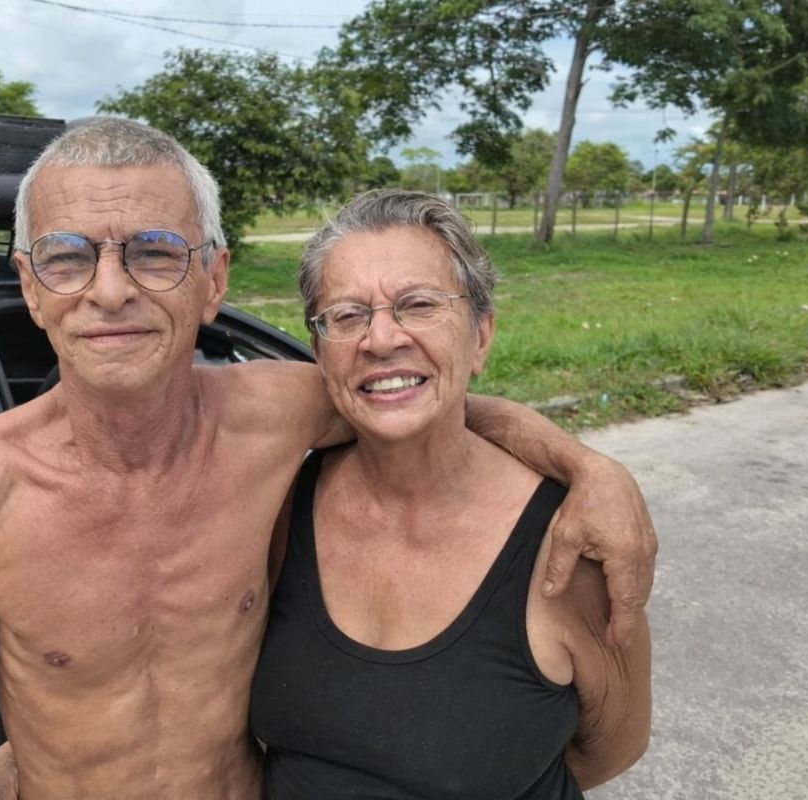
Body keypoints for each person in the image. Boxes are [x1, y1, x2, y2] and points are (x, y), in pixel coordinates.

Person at [0, 118, 656, 800]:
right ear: (32, 287)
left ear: (214, 280)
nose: (109, 292)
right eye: (68, 258)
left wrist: (591, 471)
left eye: (154, 253)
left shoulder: (274, 417)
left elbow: (407, 393)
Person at [250, 190, 652, 799]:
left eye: (418, 305)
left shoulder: (569, 545)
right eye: (347, 315)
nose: (381, 339)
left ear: (481, 336)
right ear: (319, 350)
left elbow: (615, 744)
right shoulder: (283, 504)